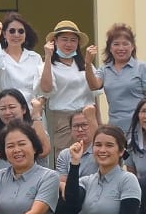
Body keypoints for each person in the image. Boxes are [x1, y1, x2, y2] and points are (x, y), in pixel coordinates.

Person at [37, 20, 99, 156]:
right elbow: (46, 88)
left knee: (92, 154)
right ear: (55, 41)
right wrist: (48, 57)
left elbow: (95, 92)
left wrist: (97, 121)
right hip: (63, 118)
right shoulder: (47, 65)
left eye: (73, 40)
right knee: (65, 155)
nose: (69, 44)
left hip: (87, 115)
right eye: (64, 39)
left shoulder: (85, 65)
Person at [89, 22, 146, 132]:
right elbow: (94, 85)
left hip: (139, 127)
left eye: (125, 44)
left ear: (132, 46)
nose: (121, 48)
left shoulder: (142, 67)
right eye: (116, 44)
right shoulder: (104, 69)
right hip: (115, 128)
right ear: (110, 48)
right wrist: (88, 63)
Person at [0, 13, 42, 99]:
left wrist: (39, 104)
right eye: (12, 31)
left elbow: (41, 87)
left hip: (31, 106)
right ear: (4, 34)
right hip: (8, 105)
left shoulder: (35, 57)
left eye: (21, 31)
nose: (16, 35)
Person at [0, 88, 50, 159]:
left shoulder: (36, 130)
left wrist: (36, 115)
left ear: (24, 109)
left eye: (12, 107)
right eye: (2, 109)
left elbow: (43, 151)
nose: (7, 112)